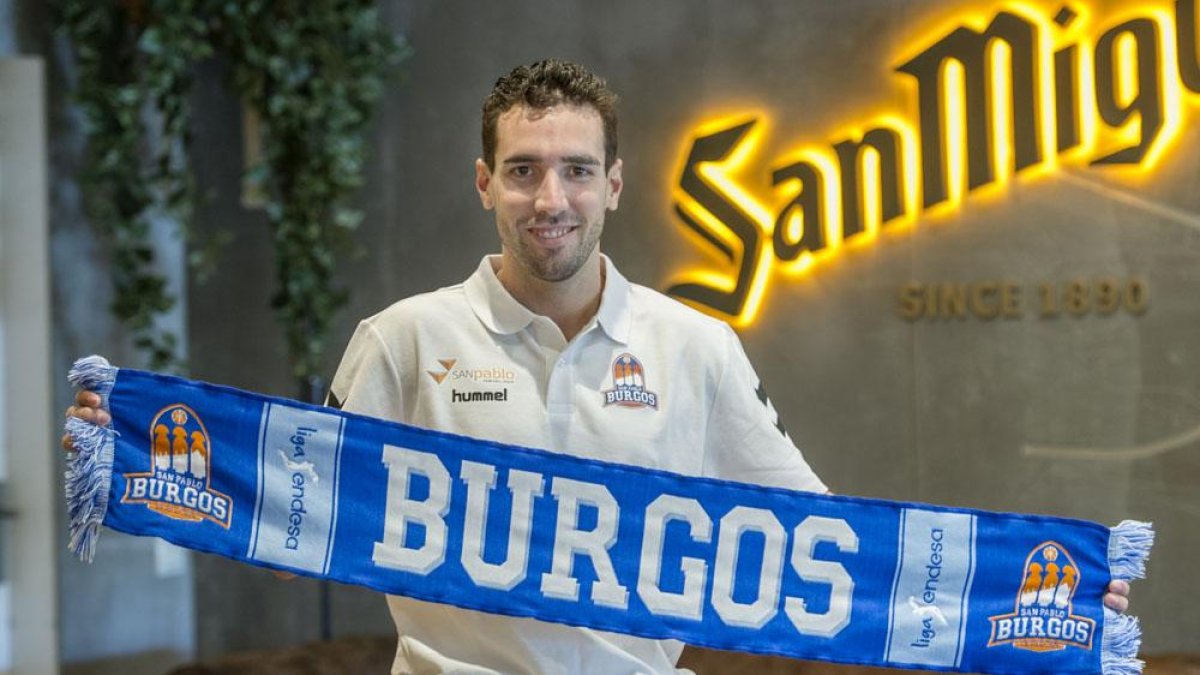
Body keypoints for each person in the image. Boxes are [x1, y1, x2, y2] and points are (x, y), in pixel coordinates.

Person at [65, 59, 1132, 674]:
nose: (551, 199)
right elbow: (296, 487)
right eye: (524, 171)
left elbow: (822, 540)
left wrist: (1058, 600)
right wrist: (120, 447)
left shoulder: (695, 346)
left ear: (615, 184)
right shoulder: (403, 338)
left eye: (576, 170)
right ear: (485, 183)